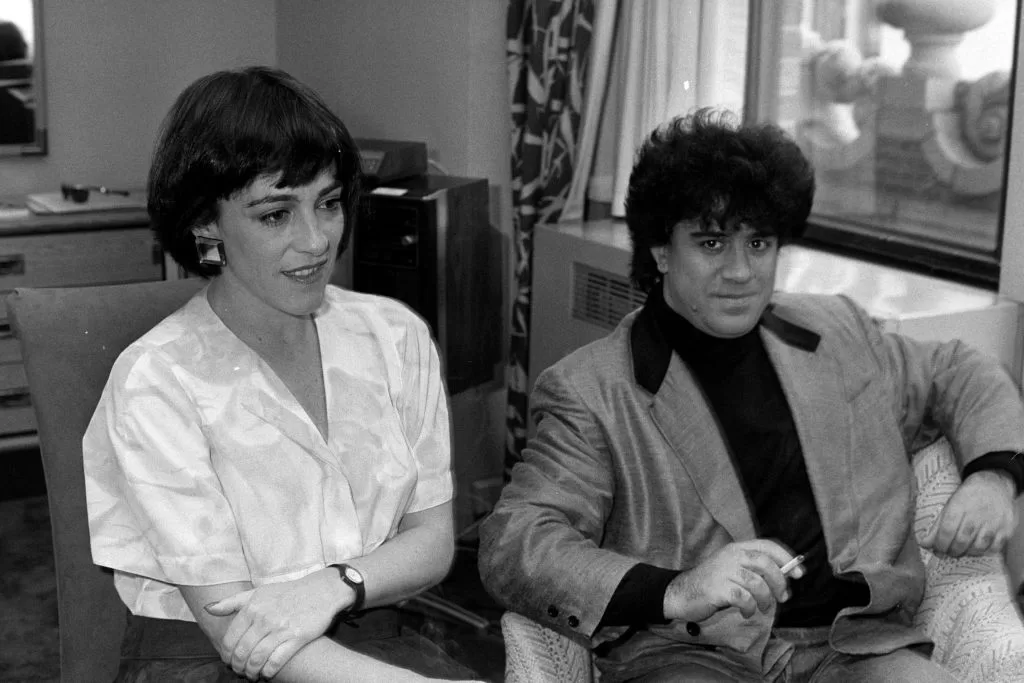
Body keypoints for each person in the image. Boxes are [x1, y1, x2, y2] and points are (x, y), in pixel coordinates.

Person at [478, 108, 1024, 682]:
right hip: (689, 655)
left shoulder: (838, 333)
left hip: (854, 647)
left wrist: (995, 475)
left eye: (758, 242)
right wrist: (677, 589)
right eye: (712, 243)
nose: (741, 271)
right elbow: (515, 542)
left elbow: (960, 370)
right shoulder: (591, 390)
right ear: (662, 252)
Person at [84, 66, 480, 682]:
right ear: (205, 223)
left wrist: (338, 584)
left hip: (364, 635)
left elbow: (431, 541)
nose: (317, 240)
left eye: (327, 203)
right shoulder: (156, 381)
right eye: (275, 215)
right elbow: (236, 632)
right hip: (213, 661)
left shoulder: (394, 336)